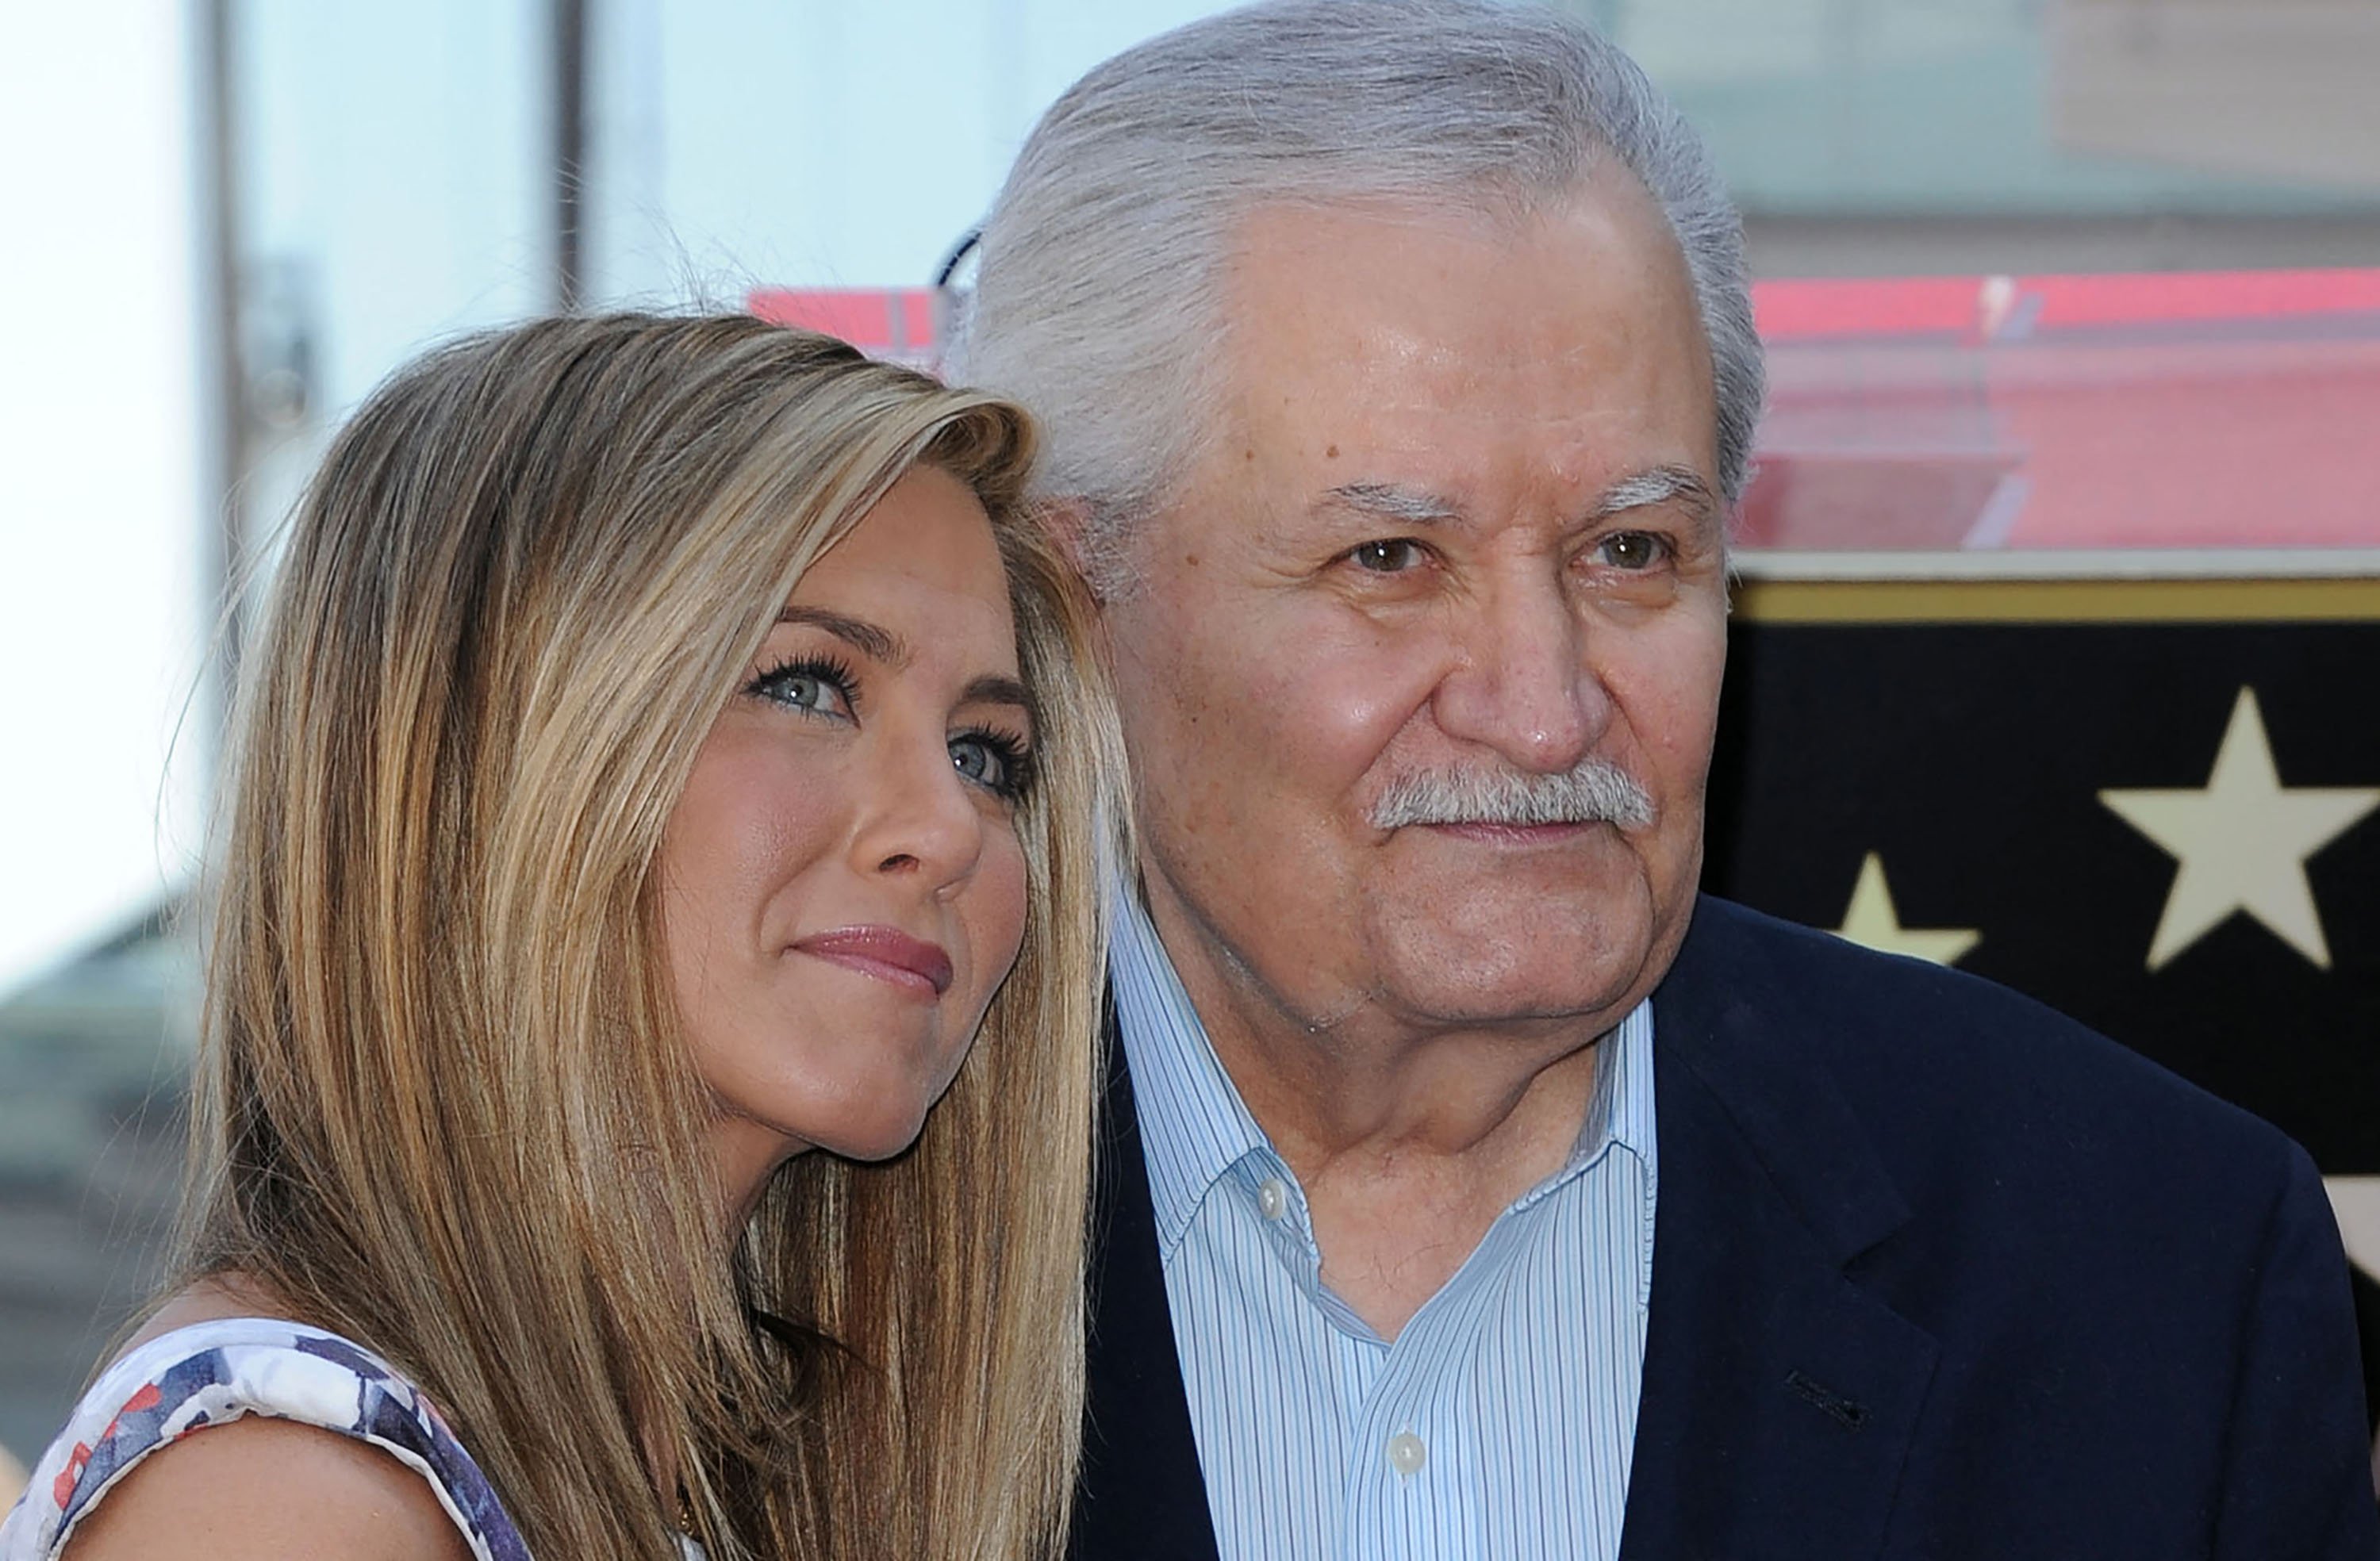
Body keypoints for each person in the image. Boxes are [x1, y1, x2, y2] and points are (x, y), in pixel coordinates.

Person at [953, 2, 2380, 1556]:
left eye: (1630, 551)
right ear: (1072, 604)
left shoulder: (2153, 1273)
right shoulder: (787, 1237)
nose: (1547, 712)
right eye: (1390, 558)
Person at [1, 313, 1121, 1561]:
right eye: (806, 685)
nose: (948, 827)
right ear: (493, 759)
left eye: (987, 755)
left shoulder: (690, 1481)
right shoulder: (289, 1506)